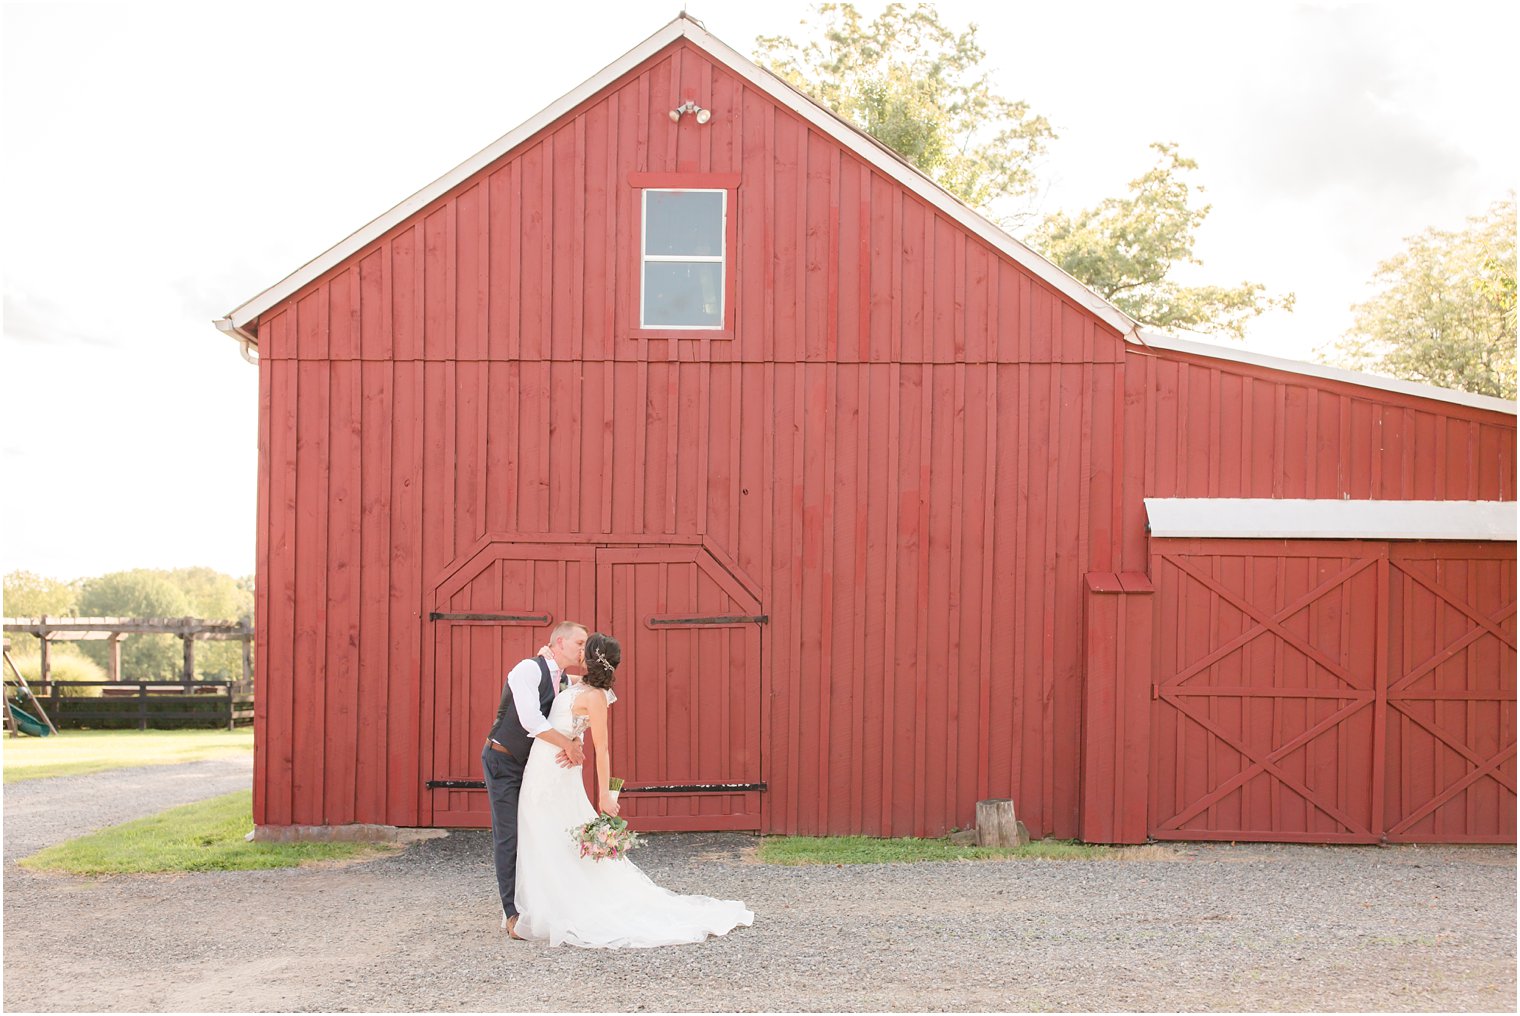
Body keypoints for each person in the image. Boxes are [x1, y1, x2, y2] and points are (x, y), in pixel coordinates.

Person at [511, 632, 754, 948]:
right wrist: (545, 655)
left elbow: (604, 749)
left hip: (558, 773)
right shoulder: (577, 685)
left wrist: (604, 796)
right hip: (542, 766)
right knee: (539, 831)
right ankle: (538, 904)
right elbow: (558, 683)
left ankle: (555, 906)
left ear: (592, 659)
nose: (580, 651)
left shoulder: (597, 698)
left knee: (550, 831)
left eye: (585, 648)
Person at [482, 620, 589, 937]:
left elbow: (564, 719)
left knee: (534, 832)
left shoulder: (566, 682)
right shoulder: (527, 670)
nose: (583, 649)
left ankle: (537, 903)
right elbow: (531, 720)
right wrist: (566, 745)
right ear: (559, 643)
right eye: (579, 643)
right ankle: (513, 914)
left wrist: (575, 740)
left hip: (531, 766)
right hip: (502, 759)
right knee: (508, 835)